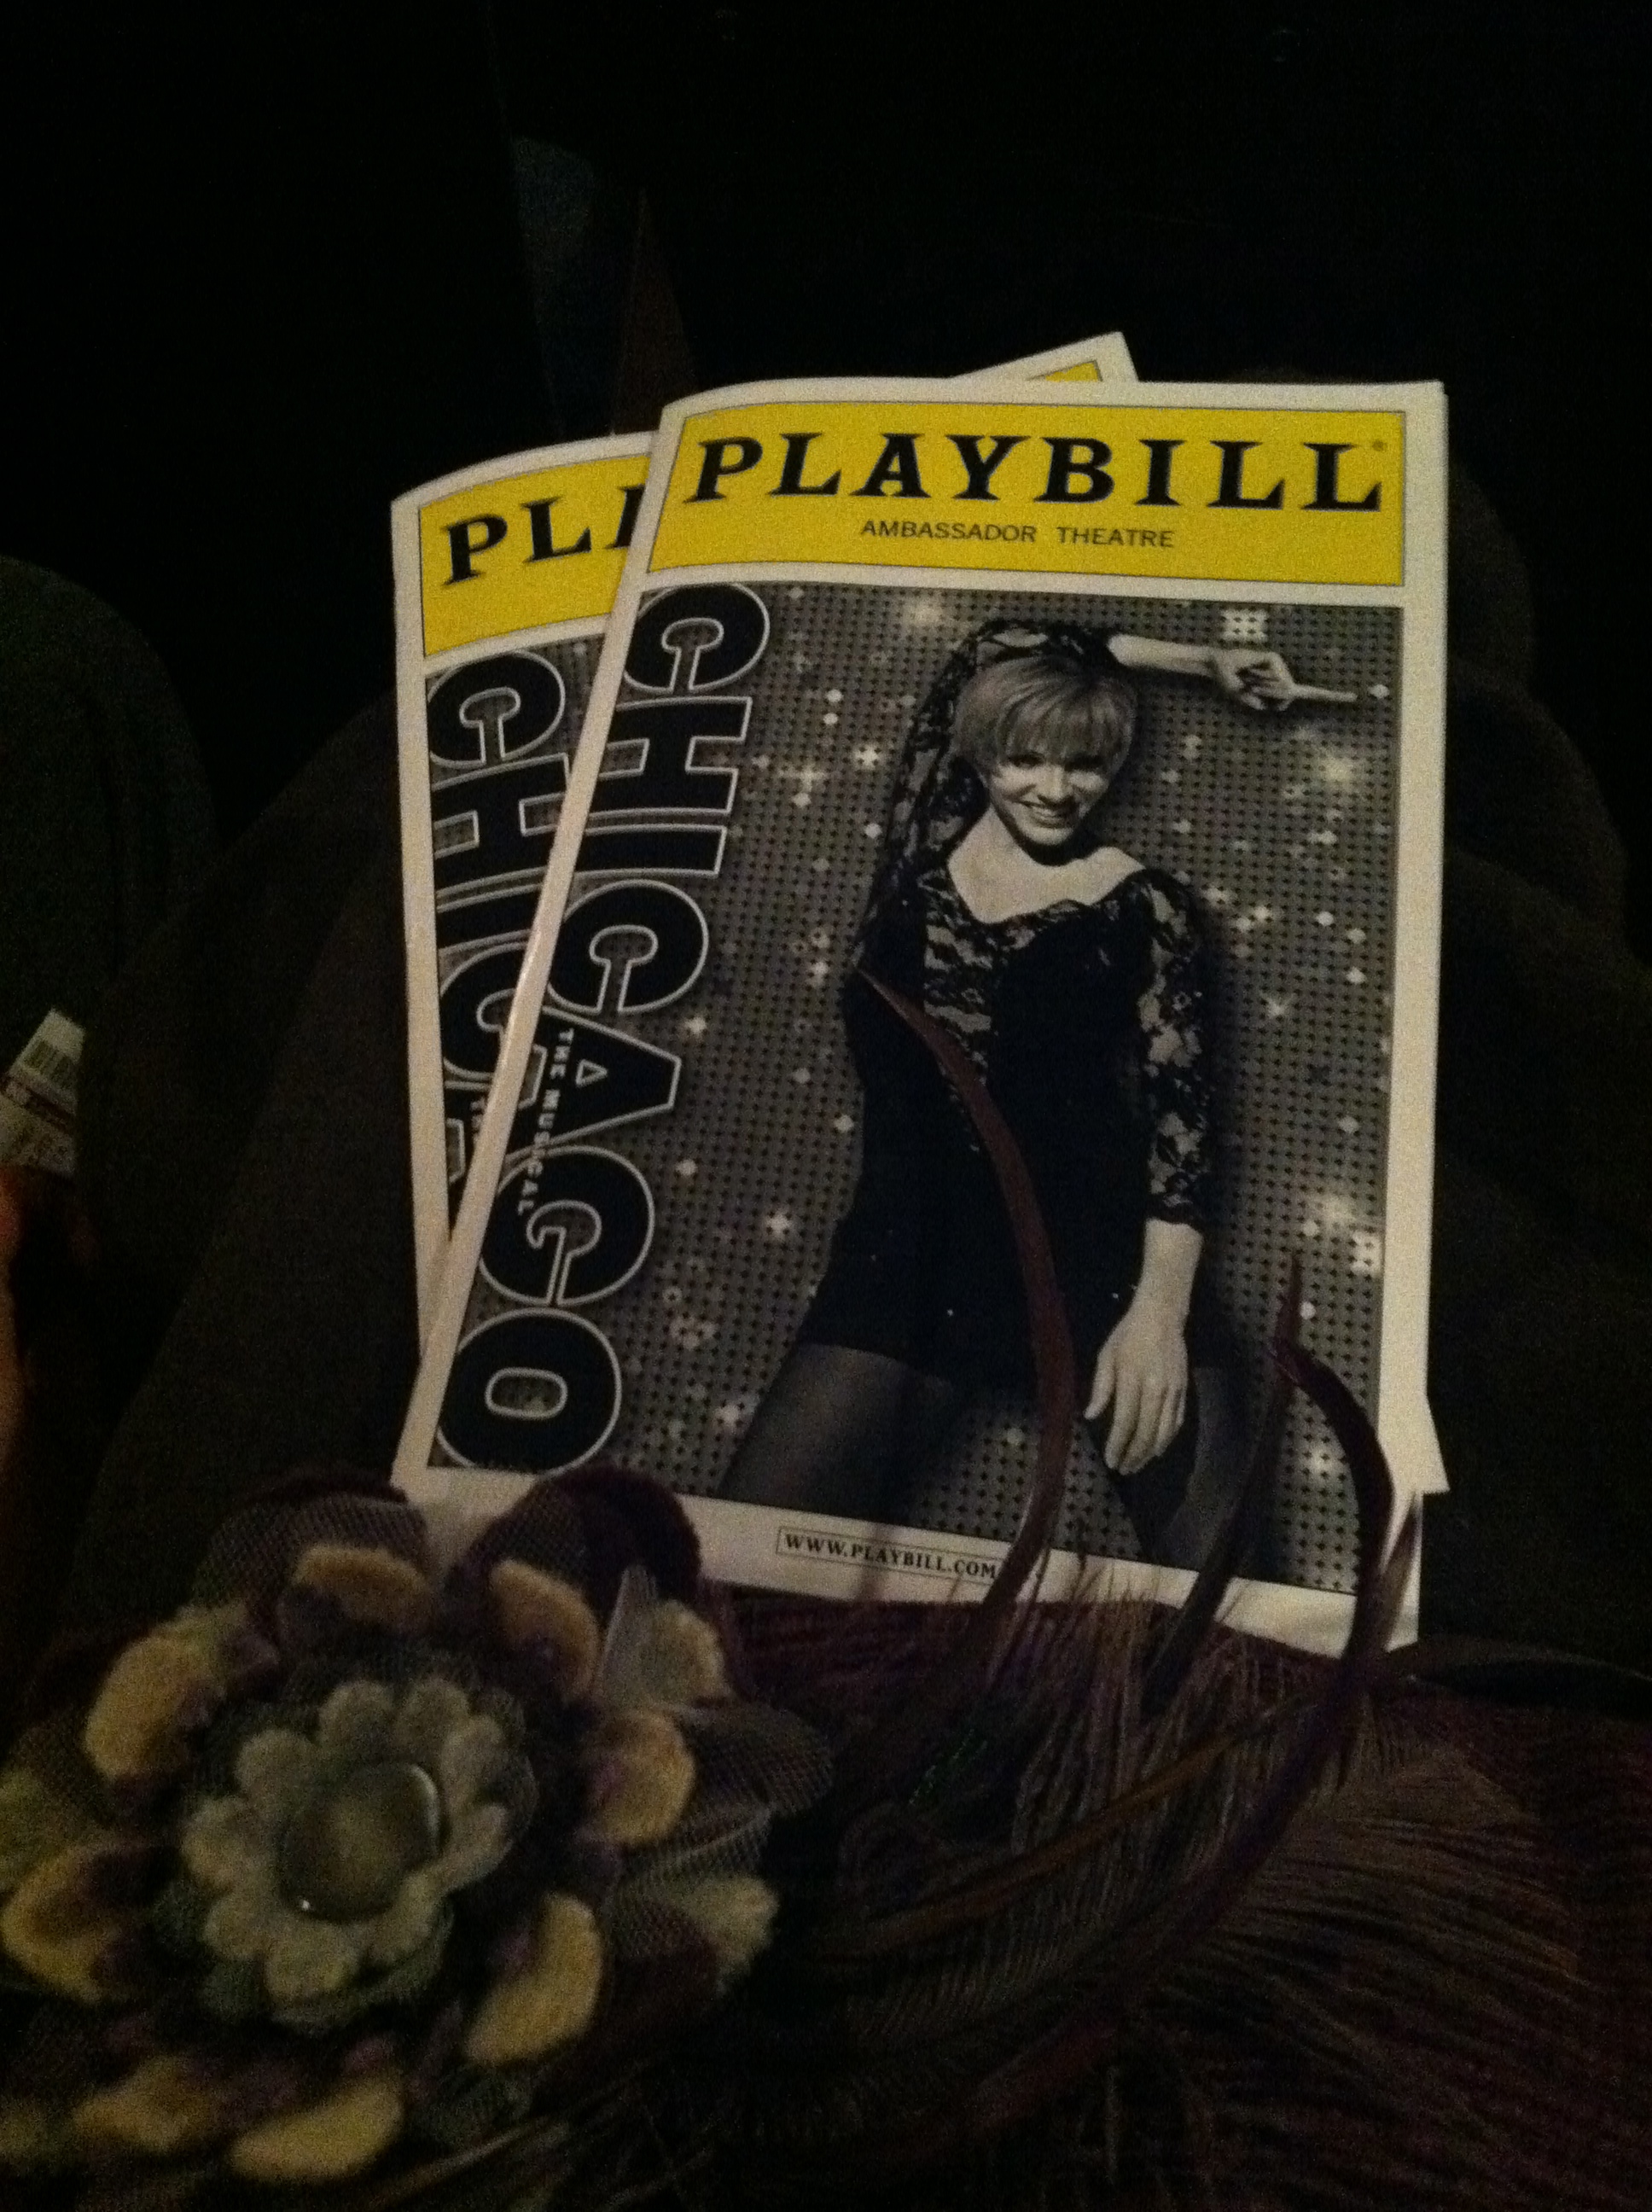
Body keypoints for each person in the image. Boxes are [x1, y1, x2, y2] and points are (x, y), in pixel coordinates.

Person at [721, 619, 1300, 1567]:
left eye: (1086, 764)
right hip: (911, 1262)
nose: (1055, 789)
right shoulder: (919, 850)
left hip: (1101, 1269)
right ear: (981, 750)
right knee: (733, 1558)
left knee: (1237, 1601)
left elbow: (1183, 1130)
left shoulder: (1148, 909)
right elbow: (992, 642)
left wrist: (1158, 1316)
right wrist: (1204, 661)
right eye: (1026, 758)